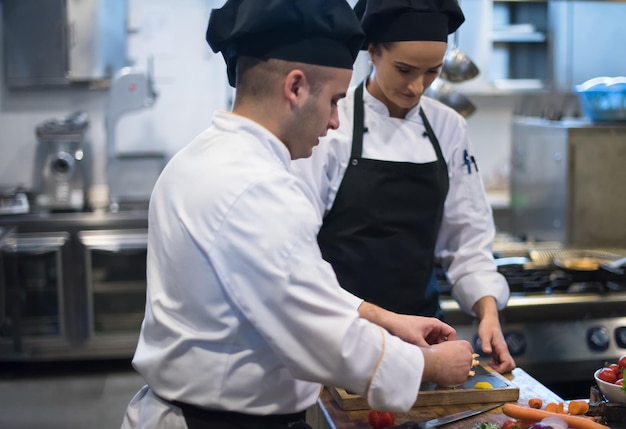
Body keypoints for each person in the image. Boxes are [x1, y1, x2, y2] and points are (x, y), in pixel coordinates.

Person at [121, 1, 476, 428]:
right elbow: (321, 332)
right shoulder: (258, 189)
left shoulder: (202, 157)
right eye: (332, 101)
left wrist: (386, 319)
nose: (331, 122)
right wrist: (430, 365)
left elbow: (295, 287)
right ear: (295, 87)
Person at [292, 0, 516, 374]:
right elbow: (299, 248)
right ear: (373, 51)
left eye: (432, 72)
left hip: (425, 339)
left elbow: (468, 239)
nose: (417, 86)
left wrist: (488, 312)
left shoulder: (448, 127)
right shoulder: (333, 124)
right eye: (405, 69)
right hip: (341, 339)